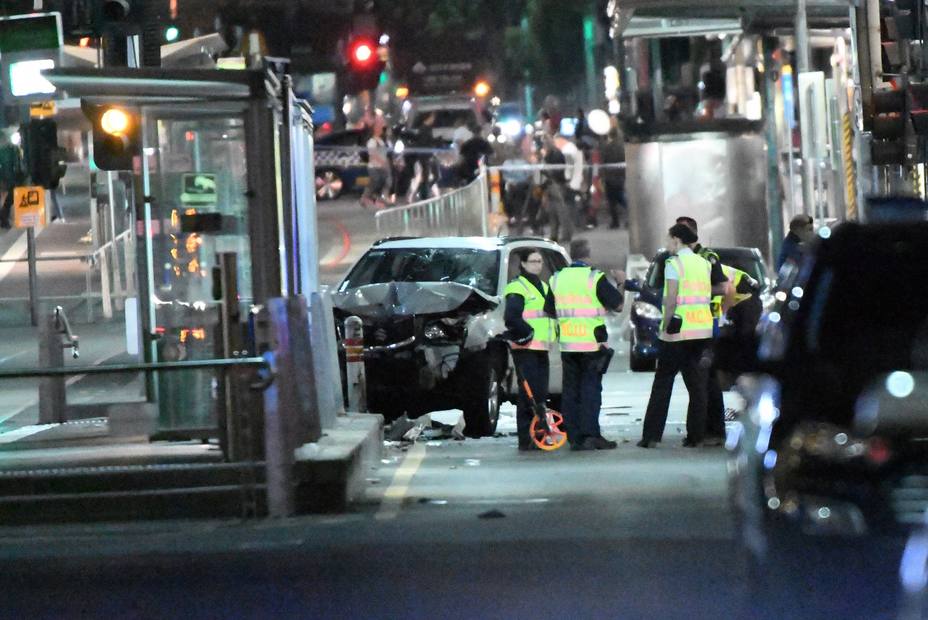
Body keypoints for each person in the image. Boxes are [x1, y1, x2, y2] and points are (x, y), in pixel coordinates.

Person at [637, 223, 714, 448]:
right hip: (702, 331)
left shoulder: (674, 264)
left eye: (668, 239)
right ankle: (696, 436)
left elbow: (671, 299)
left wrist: (665, 326)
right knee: (697, 384)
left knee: (663, 381)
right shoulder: (703, 263)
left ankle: (651, 436)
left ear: (677, 240)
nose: (667, 243)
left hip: (678, 331)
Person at [550, 239, 625, 451]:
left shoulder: (557, 279)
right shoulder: (594, 278)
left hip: (567, 345)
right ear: (588, 255)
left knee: (571, 391)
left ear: (571, 255)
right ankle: (591, 434)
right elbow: (618, 305)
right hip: (591, 345)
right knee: (590, 390)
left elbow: (549, 309)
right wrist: (621, 283)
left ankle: (574, 438)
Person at [675, 216, 730, 445]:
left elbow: (724, 287)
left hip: (706, 325)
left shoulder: (707, 258)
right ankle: (709, 429)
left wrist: (701, 292)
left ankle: (710, 430)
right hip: (690, 326)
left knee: (705, 382)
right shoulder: (679, 258)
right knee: (702, 382)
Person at [503, 249, 557, 452]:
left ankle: (538, 434)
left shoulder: (543, 286)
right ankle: (526, 438)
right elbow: (512, 317)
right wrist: (529, 333)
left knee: (540, 395)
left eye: (540, 262)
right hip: (526, 348)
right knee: (528, 395)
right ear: (523, 264)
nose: (537, 265)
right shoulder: (517, 287)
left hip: (541, 348)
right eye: (533, 261)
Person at [540, 134, 572, 244]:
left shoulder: (556, 154)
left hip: (556, 184)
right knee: (552, 212)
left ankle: (566, 234)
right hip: (550, 184)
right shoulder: (549, 154)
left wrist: (547, 172)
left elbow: (557, 171)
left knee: (561, 211)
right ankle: (554, 235)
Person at [600, 128, 626, 229]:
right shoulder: (622, 146)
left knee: (612, 201)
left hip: (610, 177)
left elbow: (604, 161)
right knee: (621, 198)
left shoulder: (608, 147)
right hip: (620, 176)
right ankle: (630, 216)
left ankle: (615, 222)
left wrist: (603, 176)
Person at [361, 122, 390, 209]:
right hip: (374, 167)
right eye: (379, 127)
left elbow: (384, 153)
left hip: (382, 166)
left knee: (385, 182)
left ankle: (381, 198)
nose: (381, 129)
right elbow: (372, 155)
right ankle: (365, 198)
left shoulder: (380, 141)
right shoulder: (371, 141)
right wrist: (382, 162)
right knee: (375, 182)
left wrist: (385, 162)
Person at [0, 131, 24, 230]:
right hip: (9, 178)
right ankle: (4, 219)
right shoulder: (11, 150)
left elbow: (18, 164)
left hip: (10, 178)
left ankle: (4, 218)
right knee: (7, 199)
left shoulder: (13, 149)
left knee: (8, 199)